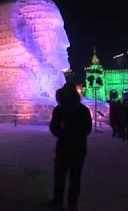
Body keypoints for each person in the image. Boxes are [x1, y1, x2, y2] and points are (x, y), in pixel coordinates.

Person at [49, 83, 92, 211]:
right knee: (74, 178)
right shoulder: (82, 110)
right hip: (77, 148)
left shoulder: (60, 109)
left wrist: (64, 132)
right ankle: (71, 203)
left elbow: (54, 128)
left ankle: (59, 201)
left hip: (65, 147)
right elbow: (87, 129)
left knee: (61, 176)